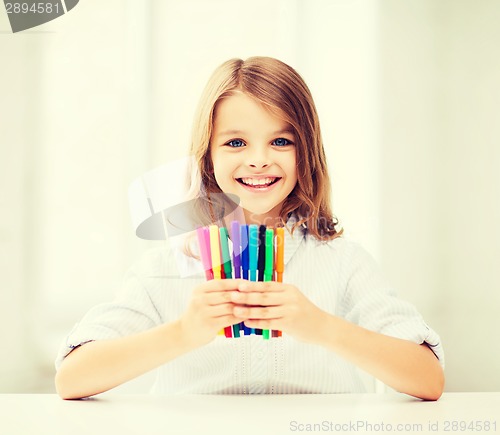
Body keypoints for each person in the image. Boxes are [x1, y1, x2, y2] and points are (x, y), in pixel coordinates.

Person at [55, 57, 444, 400]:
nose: (258, 160)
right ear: (208, 157)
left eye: (280, 141)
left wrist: (322, 326)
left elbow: (428, 379)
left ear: (305, 153)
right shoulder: (165, 268)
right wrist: (184, 332)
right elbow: (72, 379)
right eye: (236, 142)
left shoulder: (343, 262)